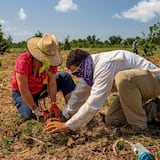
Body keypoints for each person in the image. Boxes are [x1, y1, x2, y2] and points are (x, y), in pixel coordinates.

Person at [44, 49, 160, 136]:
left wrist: (68, 126)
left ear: (83, 65)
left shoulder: (104, 65)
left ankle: (138, 127)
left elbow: (94, 102)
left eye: (77, 73)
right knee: (112, 120)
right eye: (75, 75)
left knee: (123, 78)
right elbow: (79, 95)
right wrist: (64, 116)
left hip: (154, 80)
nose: (78, 77)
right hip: (134, 90)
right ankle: (154, 109)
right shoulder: (88, 70)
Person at [12, 33, 75, 121]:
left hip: (41, 88)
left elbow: (52, 82)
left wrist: (53, 103)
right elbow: (24, 90)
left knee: (65, 77)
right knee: (28, 117)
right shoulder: (23, 61)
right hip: (23, 93)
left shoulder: (50, 63)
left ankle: (73, 110)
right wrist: (35, 109)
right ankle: (34, 107)